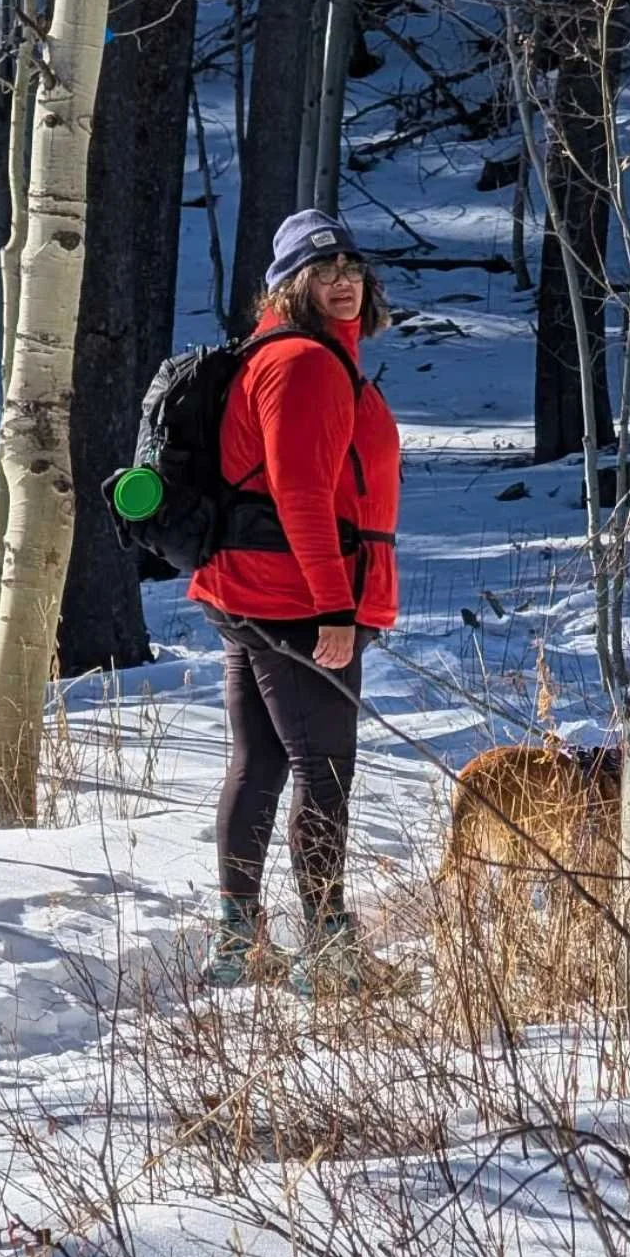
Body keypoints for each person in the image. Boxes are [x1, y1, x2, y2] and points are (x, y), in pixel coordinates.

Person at [190, 209, 402, 996]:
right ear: (288, 287)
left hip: (258, 586)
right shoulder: (303, 365)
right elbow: (302, 494)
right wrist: (335, 608)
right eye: (322, 269)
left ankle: (238, 943)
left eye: (351, 264)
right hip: (294, 595)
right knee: (324, 765)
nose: (343, 279)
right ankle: (326, 948)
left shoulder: (302, 358)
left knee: (266, 757)